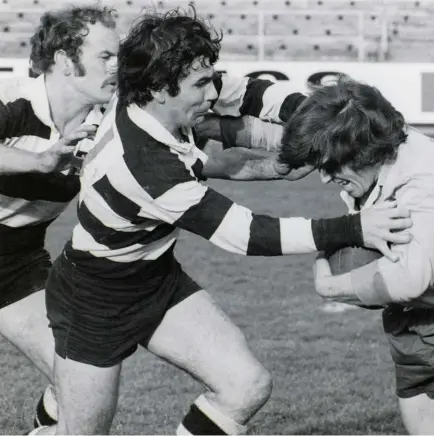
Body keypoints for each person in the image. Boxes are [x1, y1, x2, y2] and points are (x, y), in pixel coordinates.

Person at [34, 10, 412, 436]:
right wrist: (354, 228)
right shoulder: (143, 167)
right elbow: (247, 234)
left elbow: (252, 94)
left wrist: (322, 115)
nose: (211, 91)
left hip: (154, 278)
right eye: (200, 84)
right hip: (93, 298)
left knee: (245, 387)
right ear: (160, 89)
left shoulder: (158, 95)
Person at [277, 76, 434, 435]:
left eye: (331, 166)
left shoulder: (421, 174)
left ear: (360, 151)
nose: (324, 178)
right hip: (411, 330)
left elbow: (411, 278)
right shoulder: (369, 153)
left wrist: (332, 287)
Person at [0, 4, 119, 429]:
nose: (116, 67)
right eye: (106, 56)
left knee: (84, 374)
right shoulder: (12, 96)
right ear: (66, 61)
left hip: (12, 263)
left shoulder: (107, 123)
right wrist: (42, 161)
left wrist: (269, 162)